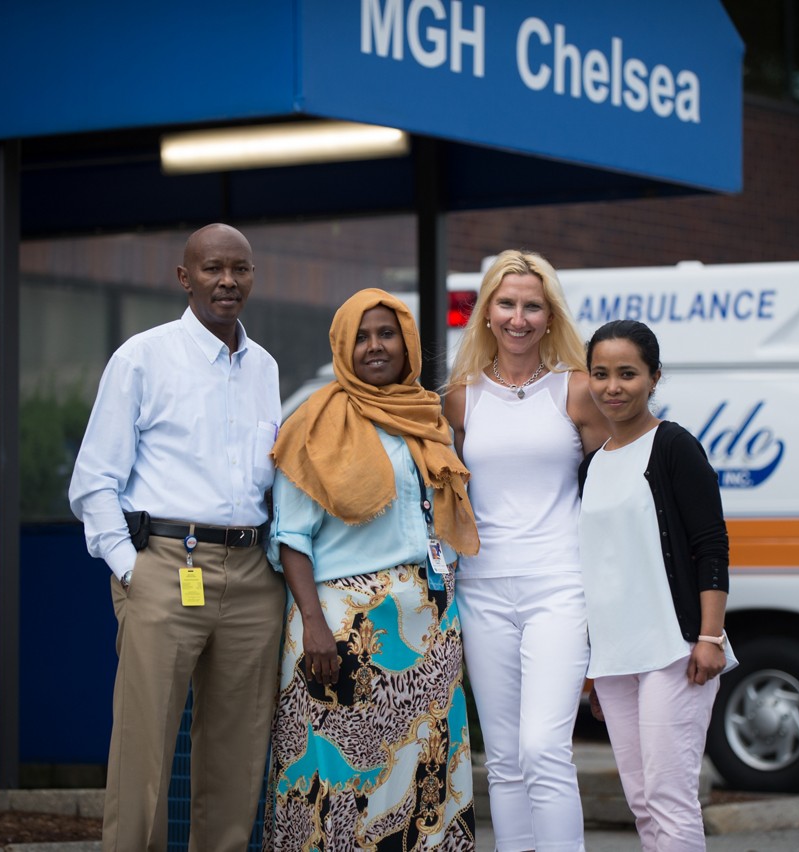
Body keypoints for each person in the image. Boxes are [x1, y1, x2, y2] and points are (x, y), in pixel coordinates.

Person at [68, 223, 286, 852]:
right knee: (144, 747)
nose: (227, 281)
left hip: (252, 575)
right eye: (213, 268)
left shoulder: (265, 367)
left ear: (252, 276)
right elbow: (94, 480)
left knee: (238, 750)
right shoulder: (143, 356)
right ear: (184, 277)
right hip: (164, 564)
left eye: (239, 269)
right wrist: (130, 568)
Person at [265, 288, 481, 848]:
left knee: (424, 778)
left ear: (407, 343)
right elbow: (291, 536)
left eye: (386, 333)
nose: (375, 346)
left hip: (426, 623)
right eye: (361, 336)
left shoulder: (429, 417)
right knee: (339, 784)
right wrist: (312, 623)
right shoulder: (313, 424)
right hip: (342, 631)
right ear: (341, 345)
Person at [442, 249, 608, 852]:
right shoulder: (461, 398)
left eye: (532, 306)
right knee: (505, 760)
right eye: (506, 304)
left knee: (544, 748)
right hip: (481, 589)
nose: (518, 317)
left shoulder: (578, 390)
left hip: (559, 587)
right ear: (486, 312)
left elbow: (617, 484)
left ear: (549, 314)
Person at [577, 319, 737, 852]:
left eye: (627, 373)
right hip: (617, 660)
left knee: (670, 798)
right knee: (642, 800)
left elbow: (710, 545)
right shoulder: (592, 466)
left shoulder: (672, 447)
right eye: (600, 374)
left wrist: (710, 637)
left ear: (654, 377)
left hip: (675, 650)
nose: (612, 387)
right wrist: (596, 668)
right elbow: (599, 566)